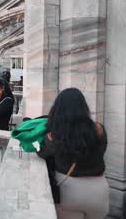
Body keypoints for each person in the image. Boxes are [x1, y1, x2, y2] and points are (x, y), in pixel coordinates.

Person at [37, 88, 108, 218]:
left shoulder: (54, 135)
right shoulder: (99, 129)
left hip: (69, 192)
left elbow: (42, 153)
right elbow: (102, 150)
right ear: (83, 107)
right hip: (99, 191)